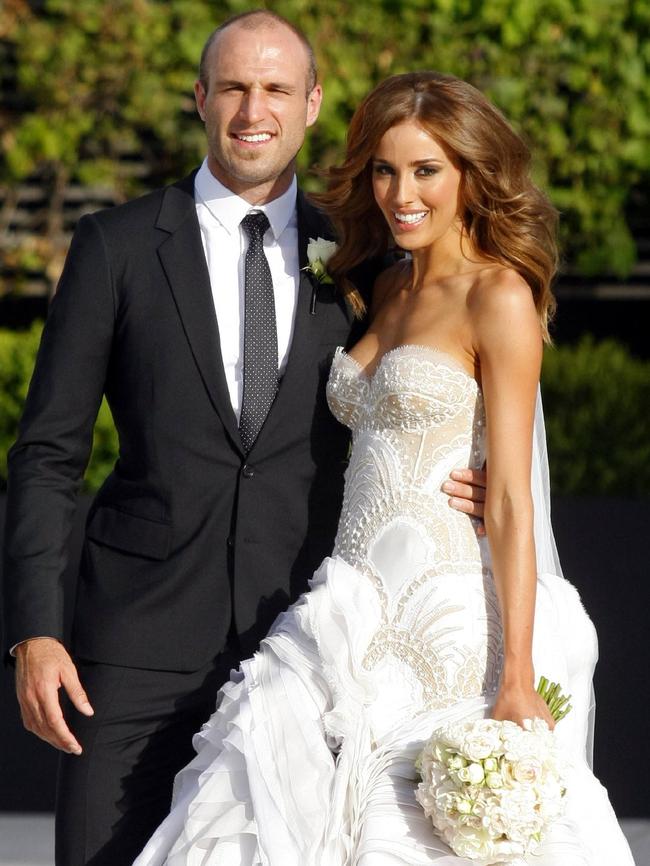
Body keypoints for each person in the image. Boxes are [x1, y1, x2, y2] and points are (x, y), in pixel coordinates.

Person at [1, 16, 484, 866]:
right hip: (132, 653)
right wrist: (35, 633)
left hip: (307, 651)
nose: (252, 109)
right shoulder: (113, 248)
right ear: (200, 98)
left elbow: (446, 372)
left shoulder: (368, 257)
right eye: (232, 87)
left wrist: (471, 469)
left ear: (311, 105)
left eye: (275, 90)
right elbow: (46, 454)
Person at [135, 71, 634, 865]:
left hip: (453, 622)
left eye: (427, 170)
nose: (402, 193)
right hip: (346, 608)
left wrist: (516, 676)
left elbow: (507, 494)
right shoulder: (380, 286)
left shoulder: (498, 295)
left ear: (472, 175)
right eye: (385, 170)